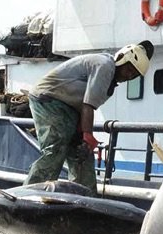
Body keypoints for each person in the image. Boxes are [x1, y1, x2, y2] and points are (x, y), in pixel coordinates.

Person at [24, 41, 153, 193]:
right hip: (49, 99)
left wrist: (83, 141)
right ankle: (30, 192)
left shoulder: (110, 79)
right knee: (56, 148)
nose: (129, 76)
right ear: (122, 59)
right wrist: (87, 136)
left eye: (134, 75)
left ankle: (83, 198)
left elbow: (83, 105)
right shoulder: (105, 66)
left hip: (69, 107)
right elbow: (88, 106)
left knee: (83, 155)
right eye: (129, 69)